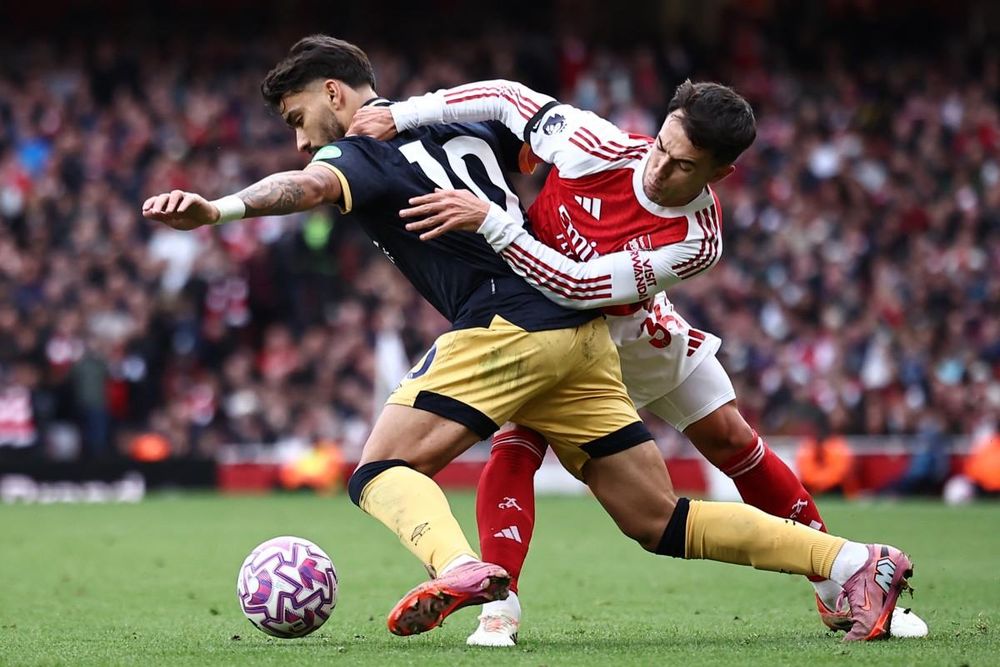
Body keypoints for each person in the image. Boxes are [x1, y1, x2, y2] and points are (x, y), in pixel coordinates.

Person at [143, 35, 914, 643]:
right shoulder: (471, 122)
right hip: (583, 338)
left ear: (335, 94)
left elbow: (308, 186)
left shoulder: (354, 151)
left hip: (524, 316)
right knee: (660, 520)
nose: (298, 138)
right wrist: (418, 119)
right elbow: (510, 102)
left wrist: (220, 210)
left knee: (380, 466)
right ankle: (855, 561)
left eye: (297, 118)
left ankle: (464, 570)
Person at [349, 78, 926, 643]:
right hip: (546, 322)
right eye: (661, 147)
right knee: (518, 439)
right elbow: (507, 98)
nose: (659, 167)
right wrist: (403, 116)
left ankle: (837, 580)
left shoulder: (697, 238)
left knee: (729, 440)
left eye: (683, 165)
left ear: (719, 173)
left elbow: (578, 285)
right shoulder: (594, 144)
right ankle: (500, 610)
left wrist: (492, 221)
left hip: (631, 328)